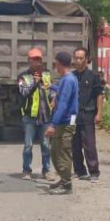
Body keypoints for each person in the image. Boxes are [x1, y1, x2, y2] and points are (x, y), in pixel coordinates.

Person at [17, 48, 54, 181]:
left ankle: (47, 170)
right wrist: (35, 82)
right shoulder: (22, 77)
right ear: (29, 61)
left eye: (39, 59)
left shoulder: (47, 74)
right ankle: (26, 170)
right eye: (34, 59)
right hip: (29, 117)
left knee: (45, 145)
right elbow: (24, 92)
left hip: (45, 117)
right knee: (28, 145)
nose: (37, 62)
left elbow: (51, 92)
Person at [45, 51, 79, 195]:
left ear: (59, 63)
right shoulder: (68, 78)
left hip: (65, 122)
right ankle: (63, 179)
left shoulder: (68, 79)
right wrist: (51, 86)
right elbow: (63, 93)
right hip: (64, 121)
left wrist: (53, 125)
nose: (55, 66)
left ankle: (66, 185)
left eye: (55, 63)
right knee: (54, 151)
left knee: (62, 153)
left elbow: (63, 104)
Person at [72, 47, 104, 183]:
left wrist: (99, 114)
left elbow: (99, 95)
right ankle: (79, 170)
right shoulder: (70, 76)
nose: (78, 61)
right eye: (76, 58)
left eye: (81, 58)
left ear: (86, 59)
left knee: (89, 145)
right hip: (73, 116)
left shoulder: (93, 76)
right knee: (75, 145)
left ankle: (94, 172)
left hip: (88, 114)